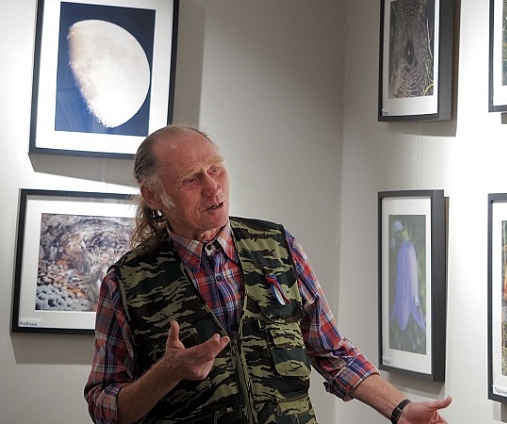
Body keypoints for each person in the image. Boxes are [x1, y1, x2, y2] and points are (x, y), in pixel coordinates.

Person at [84, 124, 452, 424]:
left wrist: (400, 409)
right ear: (154, 196)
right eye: (190, 179)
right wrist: (167, 373)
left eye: (215, 168)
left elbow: (332, 351)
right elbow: (104, 405)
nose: (213, 188)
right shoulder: (127, 284)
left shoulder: (277, 246)